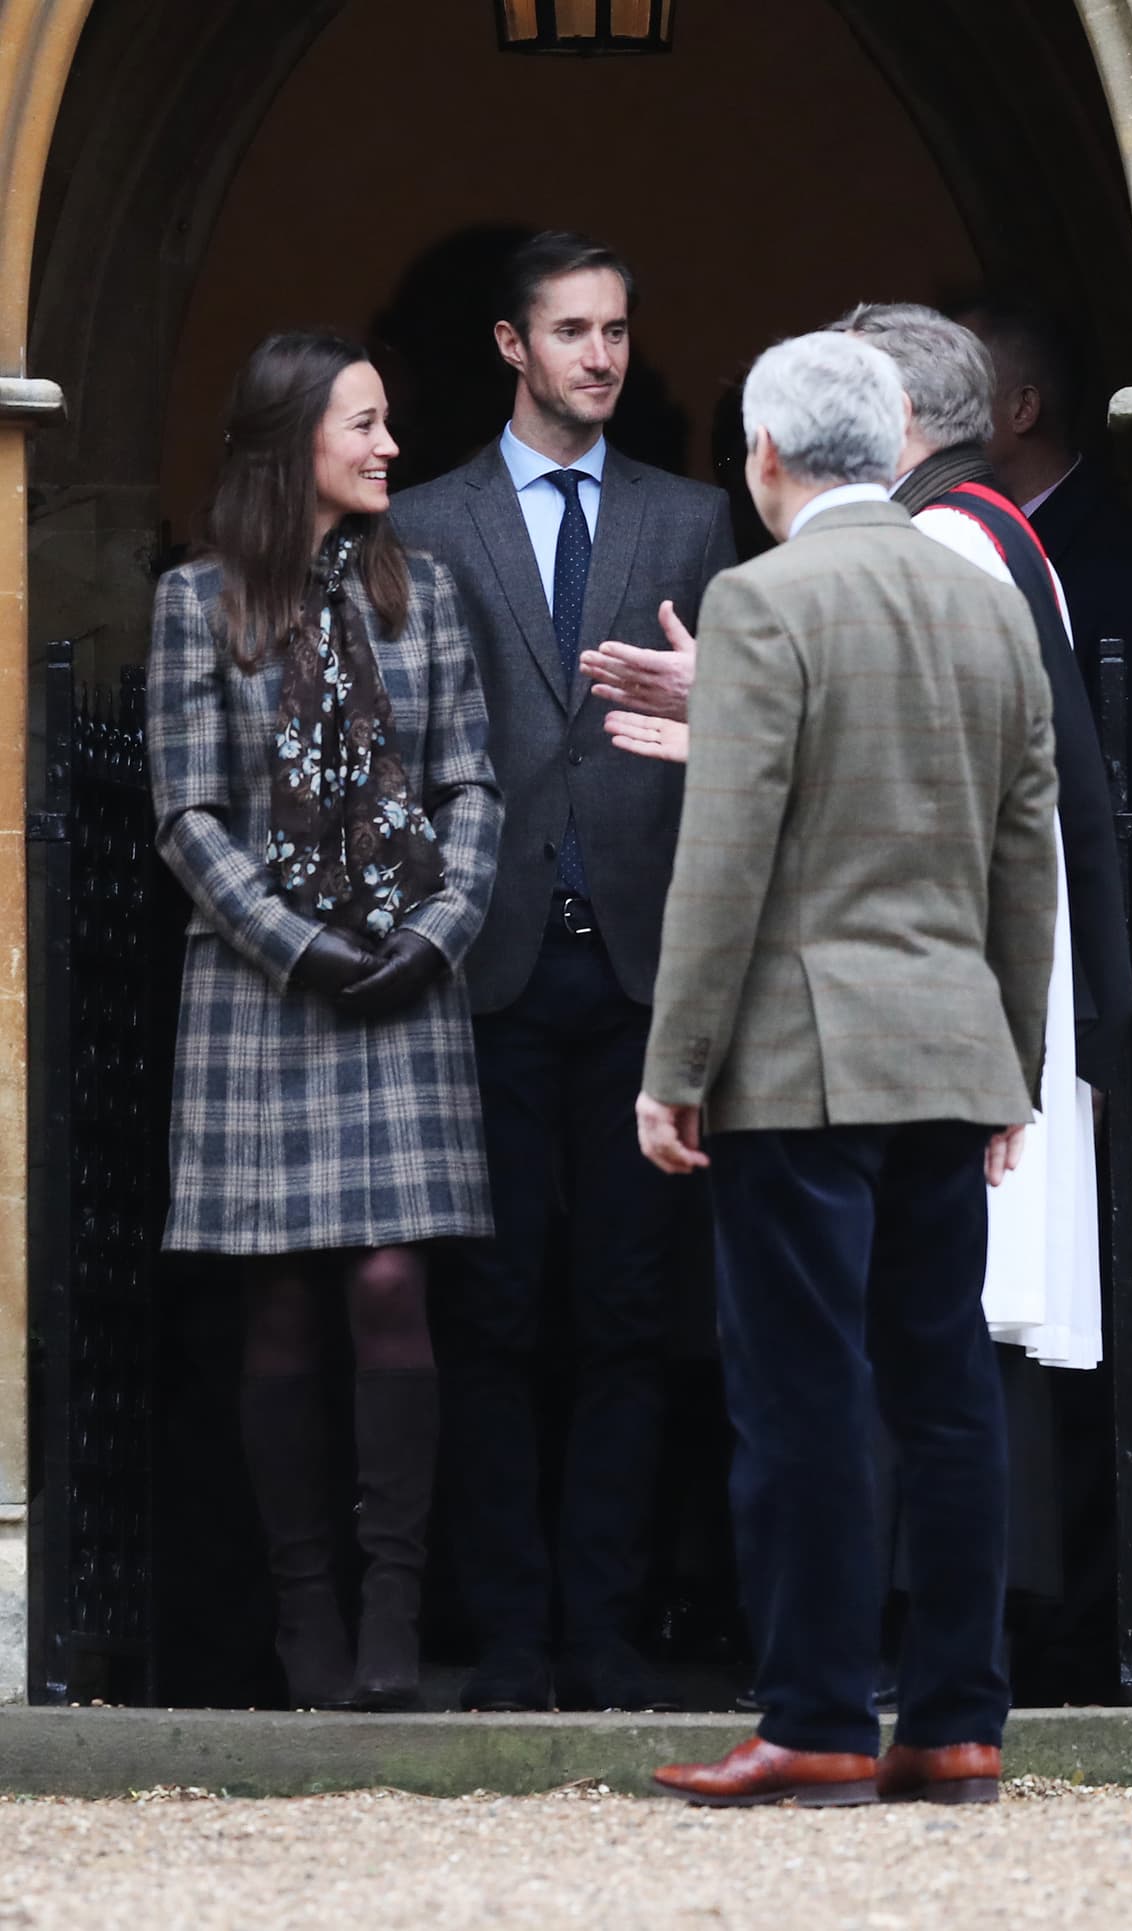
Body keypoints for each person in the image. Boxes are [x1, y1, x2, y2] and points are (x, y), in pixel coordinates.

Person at [637, 329, 1058, 1807]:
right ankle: (955, 1721)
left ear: (764, 455)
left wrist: (674, 1063)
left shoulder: (763, 599)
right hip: (950, 1046)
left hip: (798, 1060)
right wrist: (1013, 1066)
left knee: (802, 1391)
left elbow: (727, 852)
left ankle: (816, 1715)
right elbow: (1025, 851)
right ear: (890, 445)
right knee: (945, 1391)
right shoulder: (985, 599)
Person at [391, 231, 735, 1714]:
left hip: (646, 973)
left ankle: (602, 1630)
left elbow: (737, 735)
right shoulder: (425, 519)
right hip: (489, 969)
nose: (601, 353)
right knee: (490, 1308)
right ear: (510, 346)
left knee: (630, 1311)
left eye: (616, 329)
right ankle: (509, 1634)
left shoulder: (693, 517)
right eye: (572, 330)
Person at [147, 331, 502, 1713]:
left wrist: (435, 932)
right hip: (261, 988)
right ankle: (306, 1613)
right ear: (292, 437)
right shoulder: (196, 602)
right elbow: (187, 812)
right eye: (364, 422)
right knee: (282, 1297)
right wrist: (298, 944)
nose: (389, 446)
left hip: (406, 976)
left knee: (391, 1282)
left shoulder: (429, 593)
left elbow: (471, 785)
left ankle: (392, 1609)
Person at [959, 295, 1132, 802]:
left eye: (960, 390)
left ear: (1022, 410)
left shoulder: (1118, 559)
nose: (939, 411)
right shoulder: (959, 532)